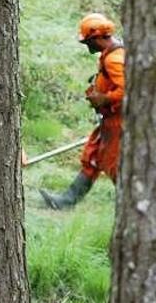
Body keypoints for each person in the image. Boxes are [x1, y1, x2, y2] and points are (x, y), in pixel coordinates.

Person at [40, 13, 125, 210]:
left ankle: (135, 212)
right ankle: (66, 202)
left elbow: (127, 88)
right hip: (110, 118)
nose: (88, 46)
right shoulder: (111, 53)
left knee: (115, 166)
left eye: (88, 42)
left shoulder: (114, 58)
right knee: (92, 156)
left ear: (97, 38)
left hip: (119, 120)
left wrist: (105, 98)